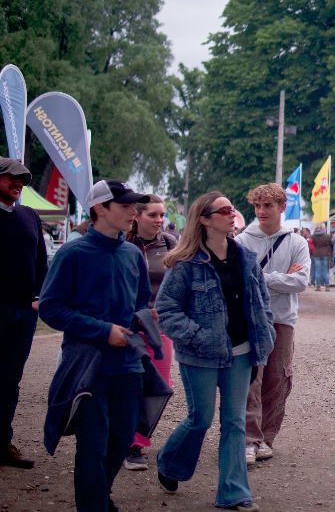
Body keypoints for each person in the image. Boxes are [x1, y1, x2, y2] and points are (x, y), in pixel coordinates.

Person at [155, 192, 275, 511]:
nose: (231, 213)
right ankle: (168, 462)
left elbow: (262, 300)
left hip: (242, 353)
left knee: (235, 421)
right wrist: (197, 336)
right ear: (205, 219)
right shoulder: (186, 263)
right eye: (223, 210)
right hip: (200, 356)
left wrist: (267, 330)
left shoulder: (246, 258)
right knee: (200, 419)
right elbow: (167, 309)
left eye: (231, 207)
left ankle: (234, 492)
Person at [39, 179, 152, 510]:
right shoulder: (72, 253)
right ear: (99, 209)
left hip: (128, 366)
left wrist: (146, 320)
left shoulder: (133, 253)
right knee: (93, 445)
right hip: (87, 367)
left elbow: (141, 301)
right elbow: (50, 308)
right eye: (125, 206)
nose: (134, 212)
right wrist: (103, 330)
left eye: (135, 206)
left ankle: (99, 496)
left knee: (120, 441)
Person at [235, 184, 310, 465]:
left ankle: (266, 438)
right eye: (257, 206)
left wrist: (261, 277)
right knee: (251, 380)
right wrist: (279, 278)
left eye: (268, 206)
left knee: (278, 379)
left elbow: (300, 282)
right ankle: (249, 440)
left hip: (282, 319)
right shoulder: (242, 241)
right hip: (249, 318)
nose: (262, 211)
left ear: (281, 208)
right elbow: (240, 281)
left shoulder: (297, 243)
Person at [122, 194, 178, 471]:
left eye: (162, 215)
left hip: (161, 326)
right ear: (137, 215)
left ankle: (138, 442)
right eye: (153, 215)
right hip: (128, 325)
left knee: (158, 384)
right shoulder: (122, 244)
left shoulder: (169, 243)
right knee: (129, 383)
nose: (159, 220)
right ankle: (126, 441)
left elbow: (183, 278)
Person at [0, 157, 47, 469]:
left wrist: (40, 298)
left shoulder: (30, 216)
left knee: (10, 380)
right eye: (11, 178)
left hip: (24, 313)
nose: (17, 183)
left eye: (22, 179)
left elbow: (41, 262)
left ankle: (2, 443)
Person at [310, 225, 333, 291]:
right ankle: (327, 286)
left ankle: (318, 286)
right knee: (326, 270)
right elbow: (330, 244)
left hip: (316, 253)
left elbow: (313, 244)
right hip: (325, 253)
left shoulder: (313, 236)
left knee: (318, 270)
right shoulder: (327, 236)